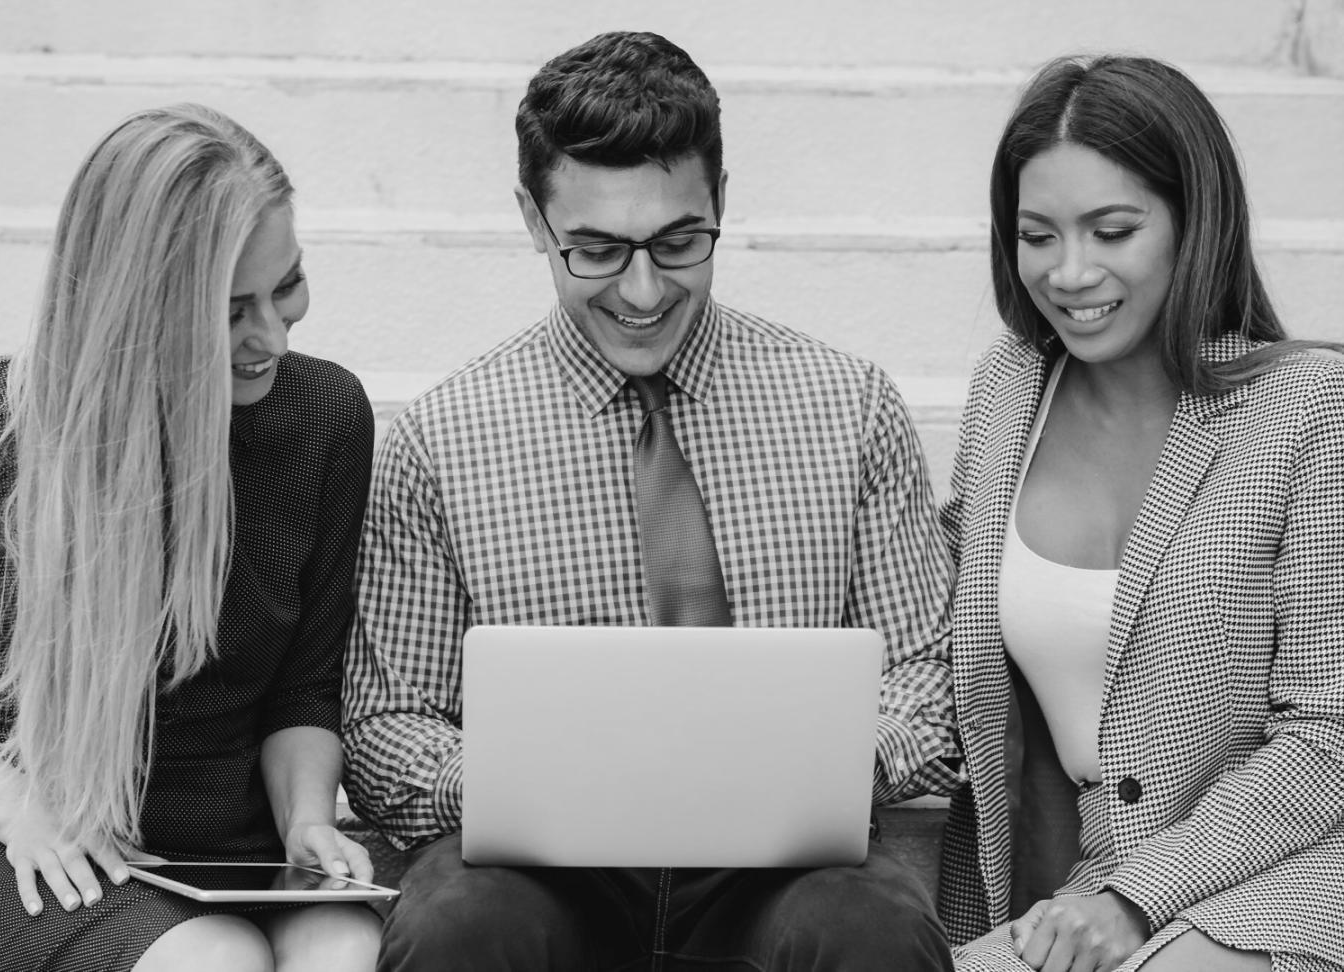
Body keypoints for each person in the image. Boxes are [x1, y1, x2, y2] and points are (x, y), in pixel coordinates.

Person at [341, 30, 960, 972]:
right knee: (455, 928)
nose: (641, 289)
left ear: (722, 203)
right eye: (594, 249)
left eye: (678, 241)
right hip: (545, 872)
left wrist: (837, 763)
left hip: (783, 868)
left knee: (872, 929)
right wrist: (520, 782)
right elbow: (387, 725)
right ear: (532, 219)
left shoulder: (848, 405)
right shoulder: (442, 439)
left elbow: (927, 668)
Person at [0, 104, 383, 971]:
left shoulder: (324, 417)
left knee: (343, 947)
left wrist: (308, 819)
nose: (271, 335)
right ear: (137, 303)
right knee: (217, 963)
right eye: (230, 311)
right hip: (27, 847)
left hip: (235, 857)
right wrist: (15, 809)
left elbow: (306, 687)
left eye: (288, 286)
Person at [939, 54, 1344, 972]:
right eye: (1036, 235)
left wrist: (1138, 897)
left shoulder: (1311, 407)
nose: (1070, 273)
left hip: (1292, 863)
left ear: (1193, 223)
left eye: (1112, 230)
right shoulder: (1009, 391)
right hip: (1088, 876)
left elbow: (1331, 731)